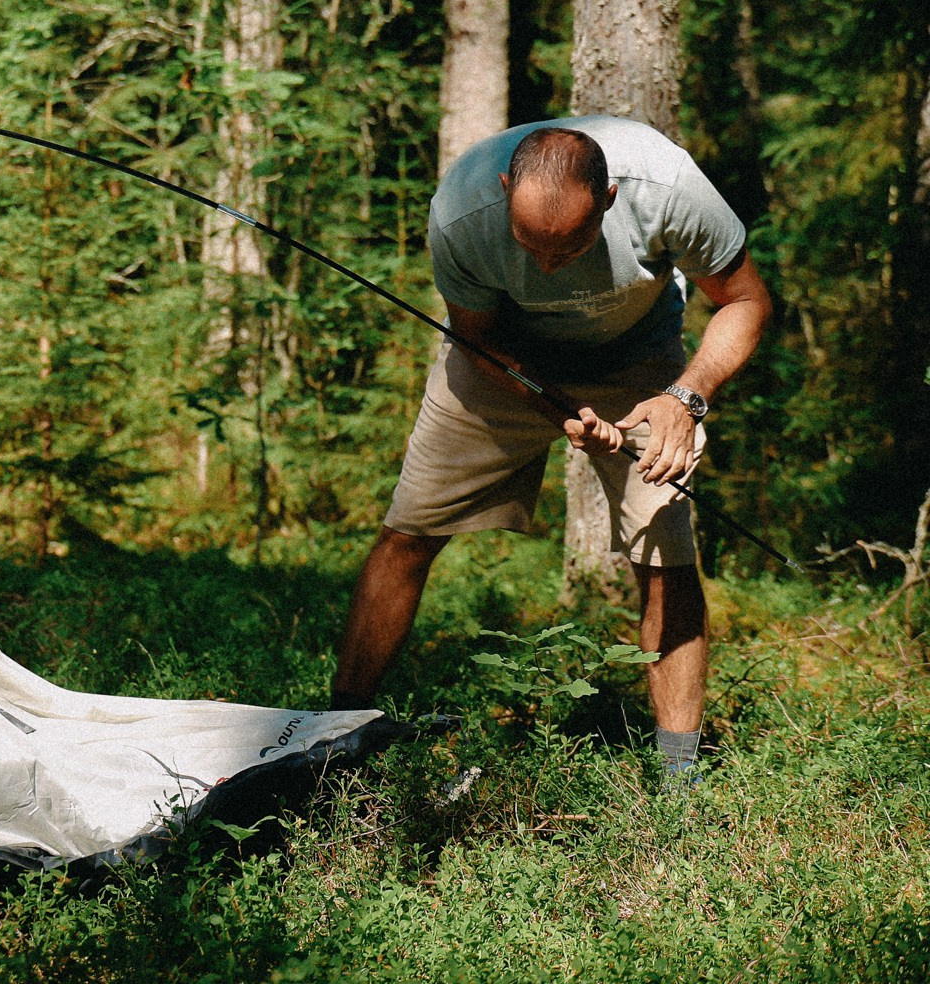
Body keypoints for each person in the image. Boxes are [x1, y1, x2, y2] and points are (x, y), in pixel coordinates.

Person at [329, 118, 772, 784]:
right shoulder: (462, 211)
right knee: (409, 531)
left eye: (568, 249)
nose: (544, 266)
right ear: (506, 189)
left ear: (612, 200)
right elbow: (478, 338)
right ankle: (336, 732)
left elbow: (746, 301)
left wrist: (687, 397)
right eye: (529, 244)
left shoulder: (670, 186)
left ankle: (680, 779)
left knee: (666, 554)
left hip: (642, 362)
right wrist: (557, 406)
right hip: (506, 362)